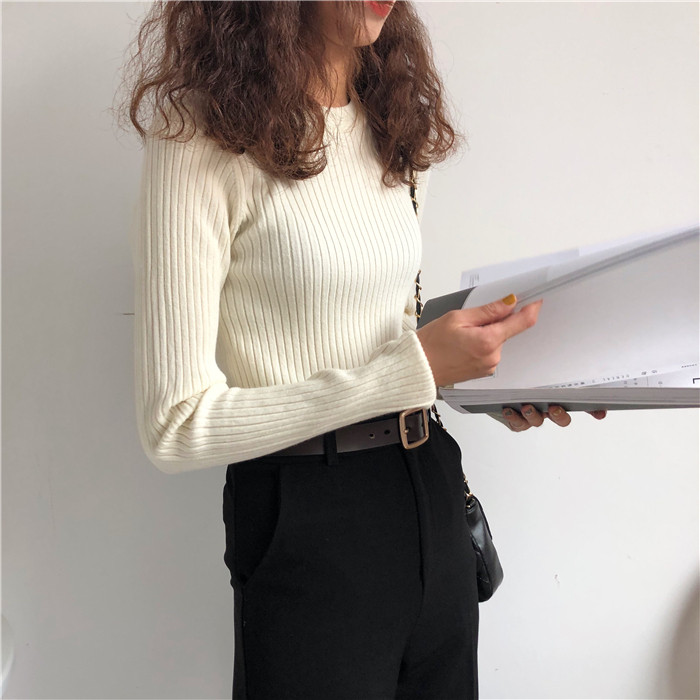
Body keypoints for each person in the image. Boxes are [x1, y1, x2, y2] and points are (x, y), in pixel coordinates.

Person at [118, 1, 607, 697]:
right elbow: (174, 425)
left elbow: (390, 343)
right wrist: (415, 369)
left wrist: (490, 383)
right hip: (305, 516)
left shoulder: (392, 119)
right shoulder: (202, 134)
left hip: (429, 487)